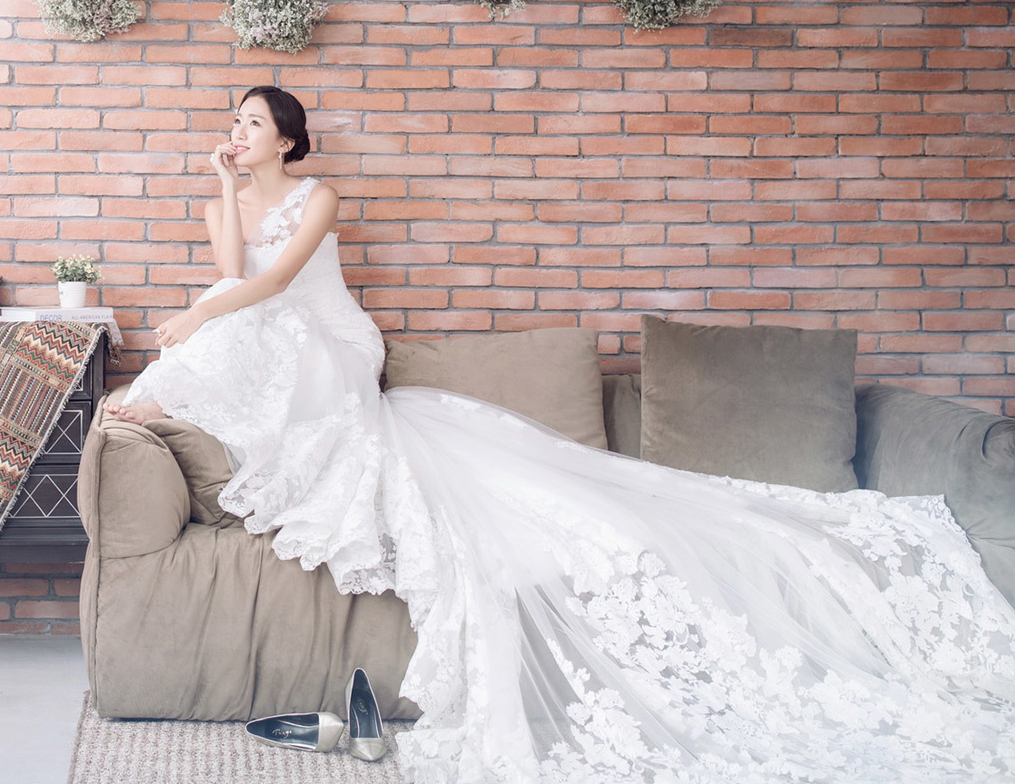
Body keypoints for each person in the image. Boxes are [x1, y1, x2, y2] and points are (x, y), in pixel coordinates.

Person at [107, 87, 1015, 783]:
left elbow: (273, 285)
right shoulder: (230, 195)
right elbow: (232, 274)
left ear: (288, 140)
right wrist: (223, 191)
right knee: (225, 308)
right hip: (273, 338)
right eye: (235, 121)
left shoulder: (321, 195)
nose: (240, 132)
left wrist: (201, 315)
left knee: (241, 315)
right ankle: (176, 411)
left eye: (253, 123)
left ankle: (162, 400)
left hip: (334, 344)